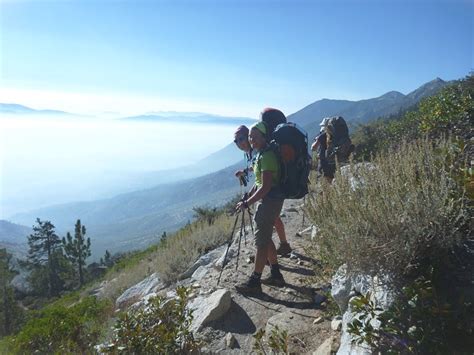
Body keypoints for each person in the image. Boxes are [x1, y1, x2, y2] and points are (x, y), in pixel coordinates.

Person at [235, 122, 285, 294]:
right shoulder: (261, 155)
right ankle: (276, 274)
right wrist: (248, 197)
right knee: (266, 238)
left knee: (261, 243)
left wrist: (248, 203)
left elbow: (266, 187)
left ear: (264, 137)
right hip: (269, 202)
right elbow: (258, 184)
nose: (251, 140)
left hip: (269, 202)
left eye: (255, 137)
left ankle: (255, 281)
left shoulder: (267, 156)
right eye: (250, 137)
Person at [233, 125, 292, 256]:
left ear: (249, 137)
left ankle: (273, 252)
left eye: (241, 138)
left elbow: (263, 174)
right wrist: (244, 171)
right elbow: (256, 167)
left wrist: (248, 200)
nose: (239, 143)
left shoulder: (256, 151)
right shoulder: (251, 152)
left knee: (269, 222)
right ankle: (283, 245)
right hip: (269, 192)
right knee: (274, 219)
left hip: (271, 193)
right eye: (236, 141)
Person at [311, 118, 335, 183]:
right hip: (334, 163)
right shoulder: (335, 135)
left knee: (325, 186)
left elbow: (313, 148)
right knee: (332, 183)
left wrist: (316, 140)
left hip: (324, 164)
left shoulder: (322, 136)